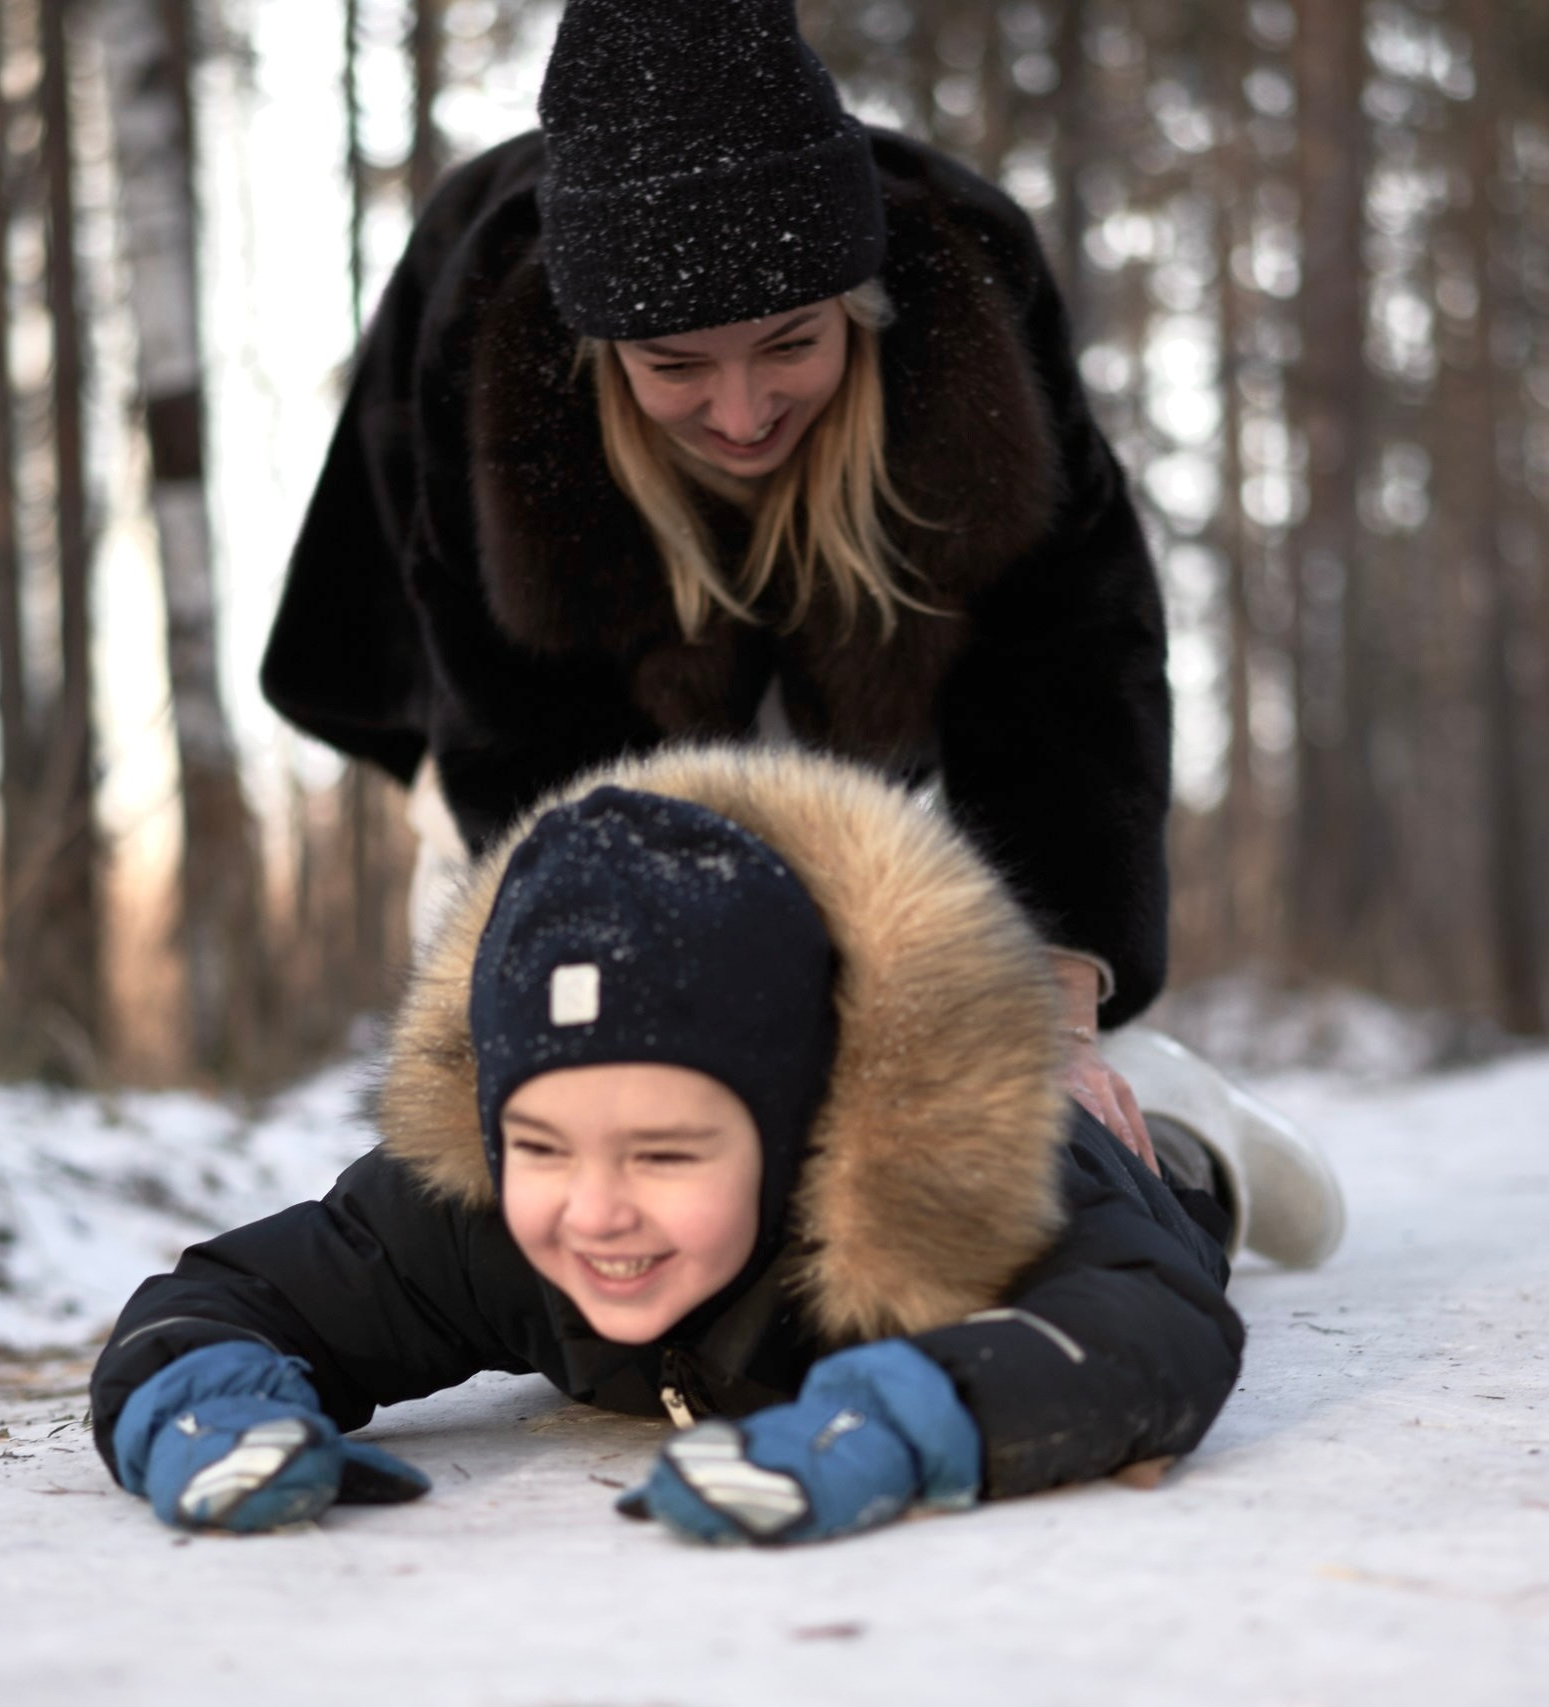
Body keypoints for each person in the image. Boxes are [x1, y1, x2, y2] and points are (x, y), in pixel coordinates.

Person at [259, 0, 1172, 1162]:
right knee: (589, 1057)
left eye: (792, 343)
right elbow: (531, 750)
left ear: (862, 305)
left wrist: (1049, 1011)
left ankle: (1155, 1108)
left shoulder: (968, 283)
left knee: (942, 1019)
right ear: (598, 352)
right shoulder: (499, 322)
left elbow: (1070, 664)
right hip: (536, 698)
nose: (741, 414)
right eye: (675, 365)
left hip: (863, 637)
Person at [90, 747, 1245, 1543]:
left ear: (795, 1130)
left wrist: (907, 1418)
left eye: (665, 1155)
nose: (593, 1210)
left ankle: (1198, 1130)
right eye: (543, 1145)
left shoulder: (956, 1181)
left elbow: (1154, 1317)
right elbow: (229, 1294)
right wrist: (212, 1403)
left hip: (1104, 1156)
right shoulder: (477, 1212)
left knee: (1173, 1194)